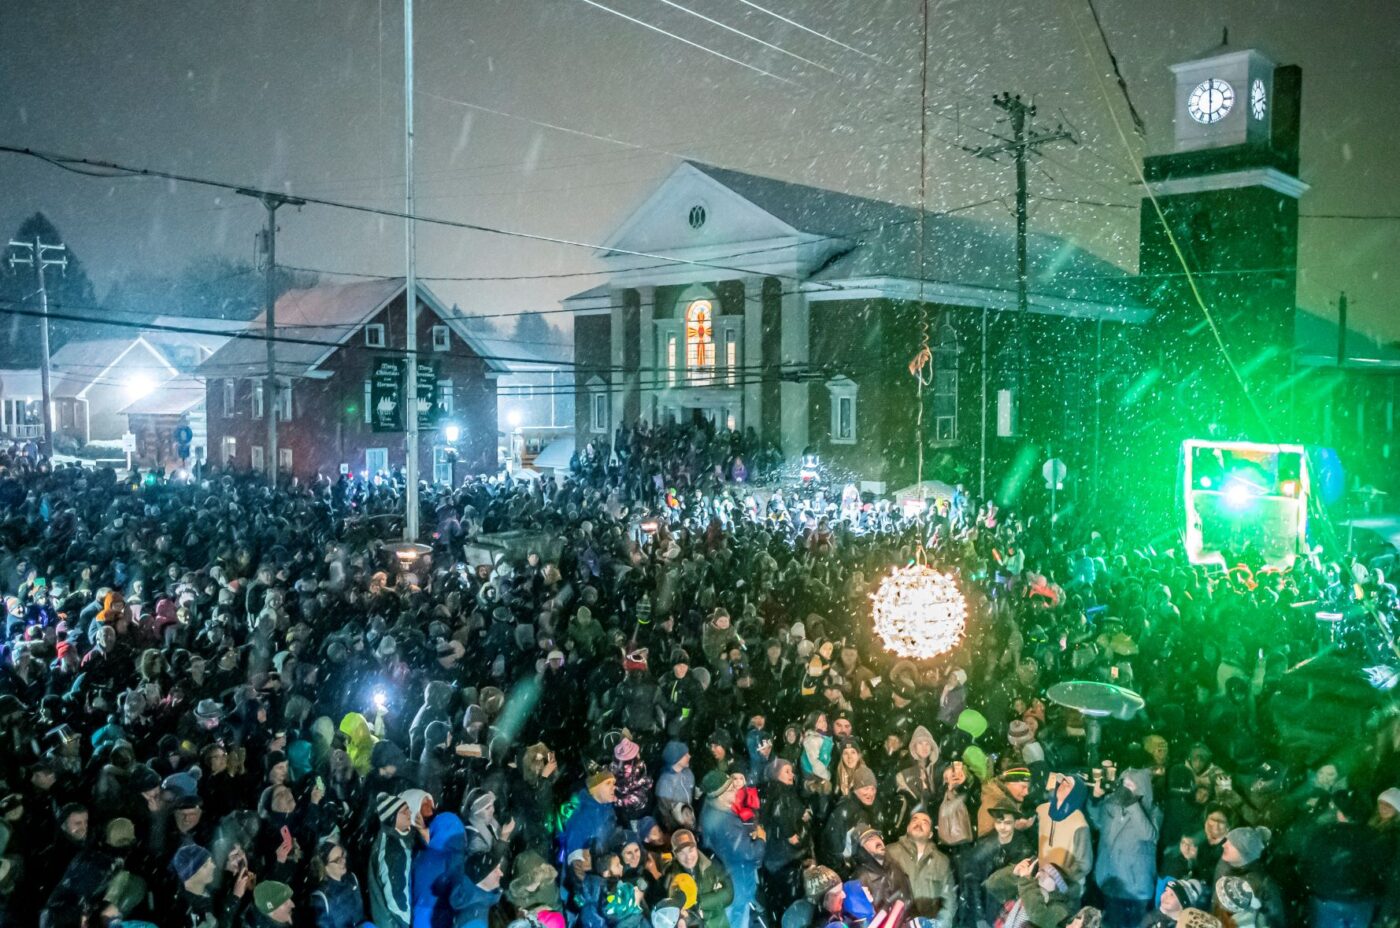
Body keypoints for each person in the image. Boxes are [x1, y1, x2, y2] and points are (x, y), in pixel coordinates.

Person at [1089, 767, 1160, 928]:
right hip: (1110, 883)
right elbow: (1097, 821)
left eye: (1131, 785)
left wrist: (1131, 804)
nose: (1125, 789)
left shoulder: (1153, 811)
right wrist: (1095, 799)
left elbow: (1149, 835)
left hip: (1136, 889)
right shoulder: (1111, 805)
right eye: (1124, 784)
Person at [885, 810, 956, 925]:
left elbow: (949, 901)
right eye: (914, 820)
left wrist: (939, 925)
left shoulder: (941, 861)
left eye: (925, 822)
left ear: (931, 834)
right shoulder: (890, 852)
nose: (918, 823)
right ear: (908, 828)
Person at [983, 851, 1075, 928]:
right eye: (1041, 871)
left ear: (1057, 886)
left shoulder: (1061, 908)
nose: (1039, 874)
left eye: (1048, 875)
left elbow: (1040, 920)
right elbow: (991, 885)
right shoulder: (1027, 887)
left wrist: (1026, 882)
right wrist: (1014, 873)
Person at [1037, 773, 1093, 895]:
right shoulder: (1042, 810)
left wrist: (1059, 878)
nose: (1062, 785)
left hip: (1066, 889)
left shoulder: (1079, 823)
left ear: (1075, 794)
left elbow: (1084, 864)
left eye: (1067, 785)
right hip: (1042, 883)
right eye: (1062, 782)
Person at [666, 829, 734, 928]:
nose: (688, 857)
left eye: (690, 850)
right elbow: (675, 911)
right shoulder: (671, 876)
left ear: (696, 847)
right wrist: (714, 898)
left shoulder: (712, 863)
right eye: (682, 853)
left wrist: (698, 903)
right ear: (675, 854)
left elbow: (729, 894)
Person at [370, 794, 416, 928]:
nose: (409, 813)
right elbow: (396, 901)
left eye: (408, 808)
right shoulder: (391, 848)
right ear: (392, 818)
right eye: (403, 812)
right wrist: (410, 922)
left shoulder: (403, 838)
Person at [308, 838, 368, 928]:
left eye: (343, 855)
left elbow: (361, 916)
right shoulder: (321, 897)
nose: (343, 861)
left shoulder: (352, 879)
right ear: (325, 867)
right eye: (337, 860)